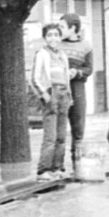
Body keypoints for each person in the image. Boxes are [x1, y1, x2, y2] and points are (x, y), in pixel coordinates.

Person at [32, 22, 72, 179]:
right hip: (51, 94)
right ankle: (43, 170)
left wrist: (69, 95)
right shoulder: (41, 54)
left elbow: (66, 76)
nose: (53, 38)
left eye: (56, 35)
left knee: (61, 136)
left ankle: (58, 168)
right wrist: (44, 95)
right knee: (50, 136)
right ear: (45, 38)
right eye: (50, 35)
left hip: (64, 95)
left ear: (60, 37)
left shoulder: (63, 55)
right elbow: (34, 79)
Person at [58, 12, 93, 171]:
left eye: (62, 27)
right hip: (60, 88)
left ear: (73, 28)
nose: (59, 30)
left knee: (78, 128)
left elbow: (89, 68)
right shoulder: (57, 45)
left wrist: (76, 72)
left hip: (78, 88)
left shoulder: (86, 46)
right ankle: (58, 166)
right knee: (59, 129)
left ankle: (77, 164)